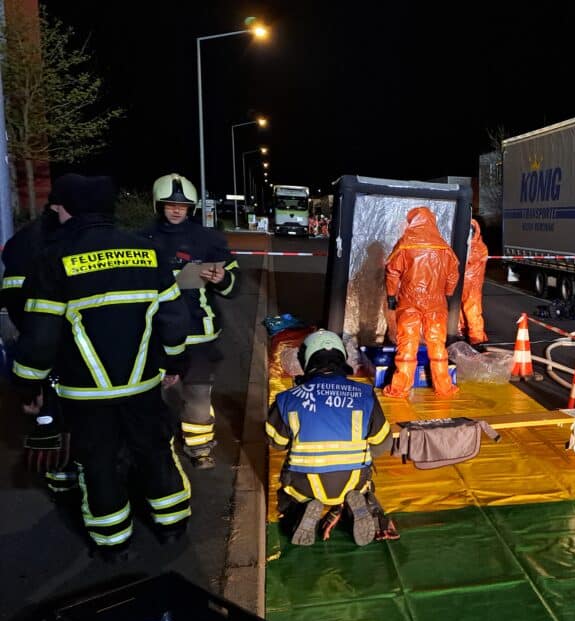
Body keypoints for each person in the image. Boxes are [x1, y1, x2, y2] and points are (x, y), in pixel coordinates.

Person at [12, 174, 191, 560]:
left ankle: (114, 543)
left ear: (71, 208)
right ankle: (173, 524)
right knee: (155, 452)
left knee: (100, 463)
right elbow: (174, 319)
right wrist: (175, 361)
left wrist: (29, 387)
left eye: (57, 207)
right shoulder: (147, 252)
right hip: (143, 385)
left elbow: (40, 338)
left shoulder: (54, 260)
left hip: (87, 395)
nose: (54, 214)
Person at [141, 174, 240, 469]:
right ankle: (156, 447)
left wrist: (223, 278)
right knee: (156, 395)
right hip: (155, 334)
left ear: (191, 208)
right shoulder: (141, 239)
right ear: (159, 205)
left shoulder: (209, 240)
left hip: (199, 335)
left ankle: (199, 447)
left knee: (197, 394)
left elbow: (234, 286)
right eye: (170, 204)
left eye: (182, 206)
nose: (175, 210)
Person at [265, 330, 395, 546]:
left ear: (307, 360)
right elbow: (383, 443)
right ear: (342, 358)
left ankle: (299, 512)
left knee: (289, 495)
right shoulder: (365, 394)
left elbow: (276, 443)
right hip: (354, 480)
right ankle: (362, 505)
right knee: (364, 483)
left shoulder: (287, 398)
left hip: (304, 483)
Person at [1, 194, 78, 495]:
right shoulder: (54, 239)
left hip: (41, 339)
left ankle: (59, 474)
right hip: (59, 340)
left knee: (48, 408)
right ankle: (64, 470)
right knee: (60, 408)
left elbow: (13, 298)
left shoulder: (26, 240)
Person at [383, 206, 460, 398]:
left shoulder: (405, 244)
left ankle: (399, 389)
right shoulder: (444, 247)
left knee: (407, 345)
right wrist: (447, 293)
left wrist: (391, 296)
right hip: (436, 303)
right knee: (437, 345)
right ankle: (444, 387)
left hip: (409, 301)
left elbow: (392, 272)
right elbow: (453, 275)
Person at [459, 217, 489, 344]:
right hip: (461, 283)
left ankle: (477, 340)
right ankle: (460, 334)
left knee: (472, 311)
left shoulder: (478, 247)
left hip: (472, 286)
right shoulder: (472, 246)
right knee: (458, 311)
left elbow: (469, 258)